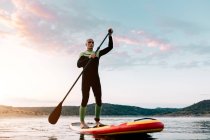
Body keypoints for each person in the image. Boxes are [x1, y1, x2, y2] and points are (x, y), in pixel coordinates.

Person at [77, 28, 113, 129]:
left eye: (92, 42)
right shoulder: (83, 54)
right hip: (86, 79)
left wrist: (110, 36)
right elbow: (78, 65)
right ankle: (82, 122)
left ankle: (97, 121)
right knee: (85, 99)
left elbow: (110, 47)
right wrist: (89, 58)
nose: (91, 43)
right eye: (89, 42)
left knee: (99, 99)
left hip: (95, 78)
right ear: (86, 44)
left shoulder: (97, 53)